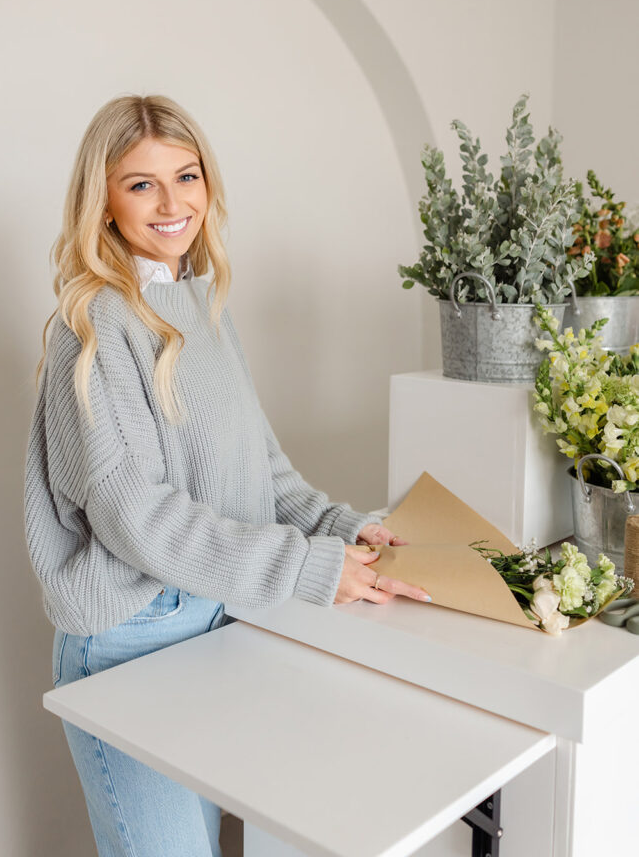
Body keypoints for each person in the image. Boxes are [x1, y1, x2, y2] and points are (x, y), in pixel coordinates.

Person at [23, 93, 430, 857]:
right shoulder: (93, 324)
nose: (173, 202)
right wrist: (310, 568)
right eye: (141, 183)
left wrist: (343, 530)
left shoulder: (202, 305)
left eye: (187, 175)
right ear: (102, 201)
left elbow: (261, 469)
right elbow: (132, 515)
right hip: (131, 634)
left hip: (215, 616)